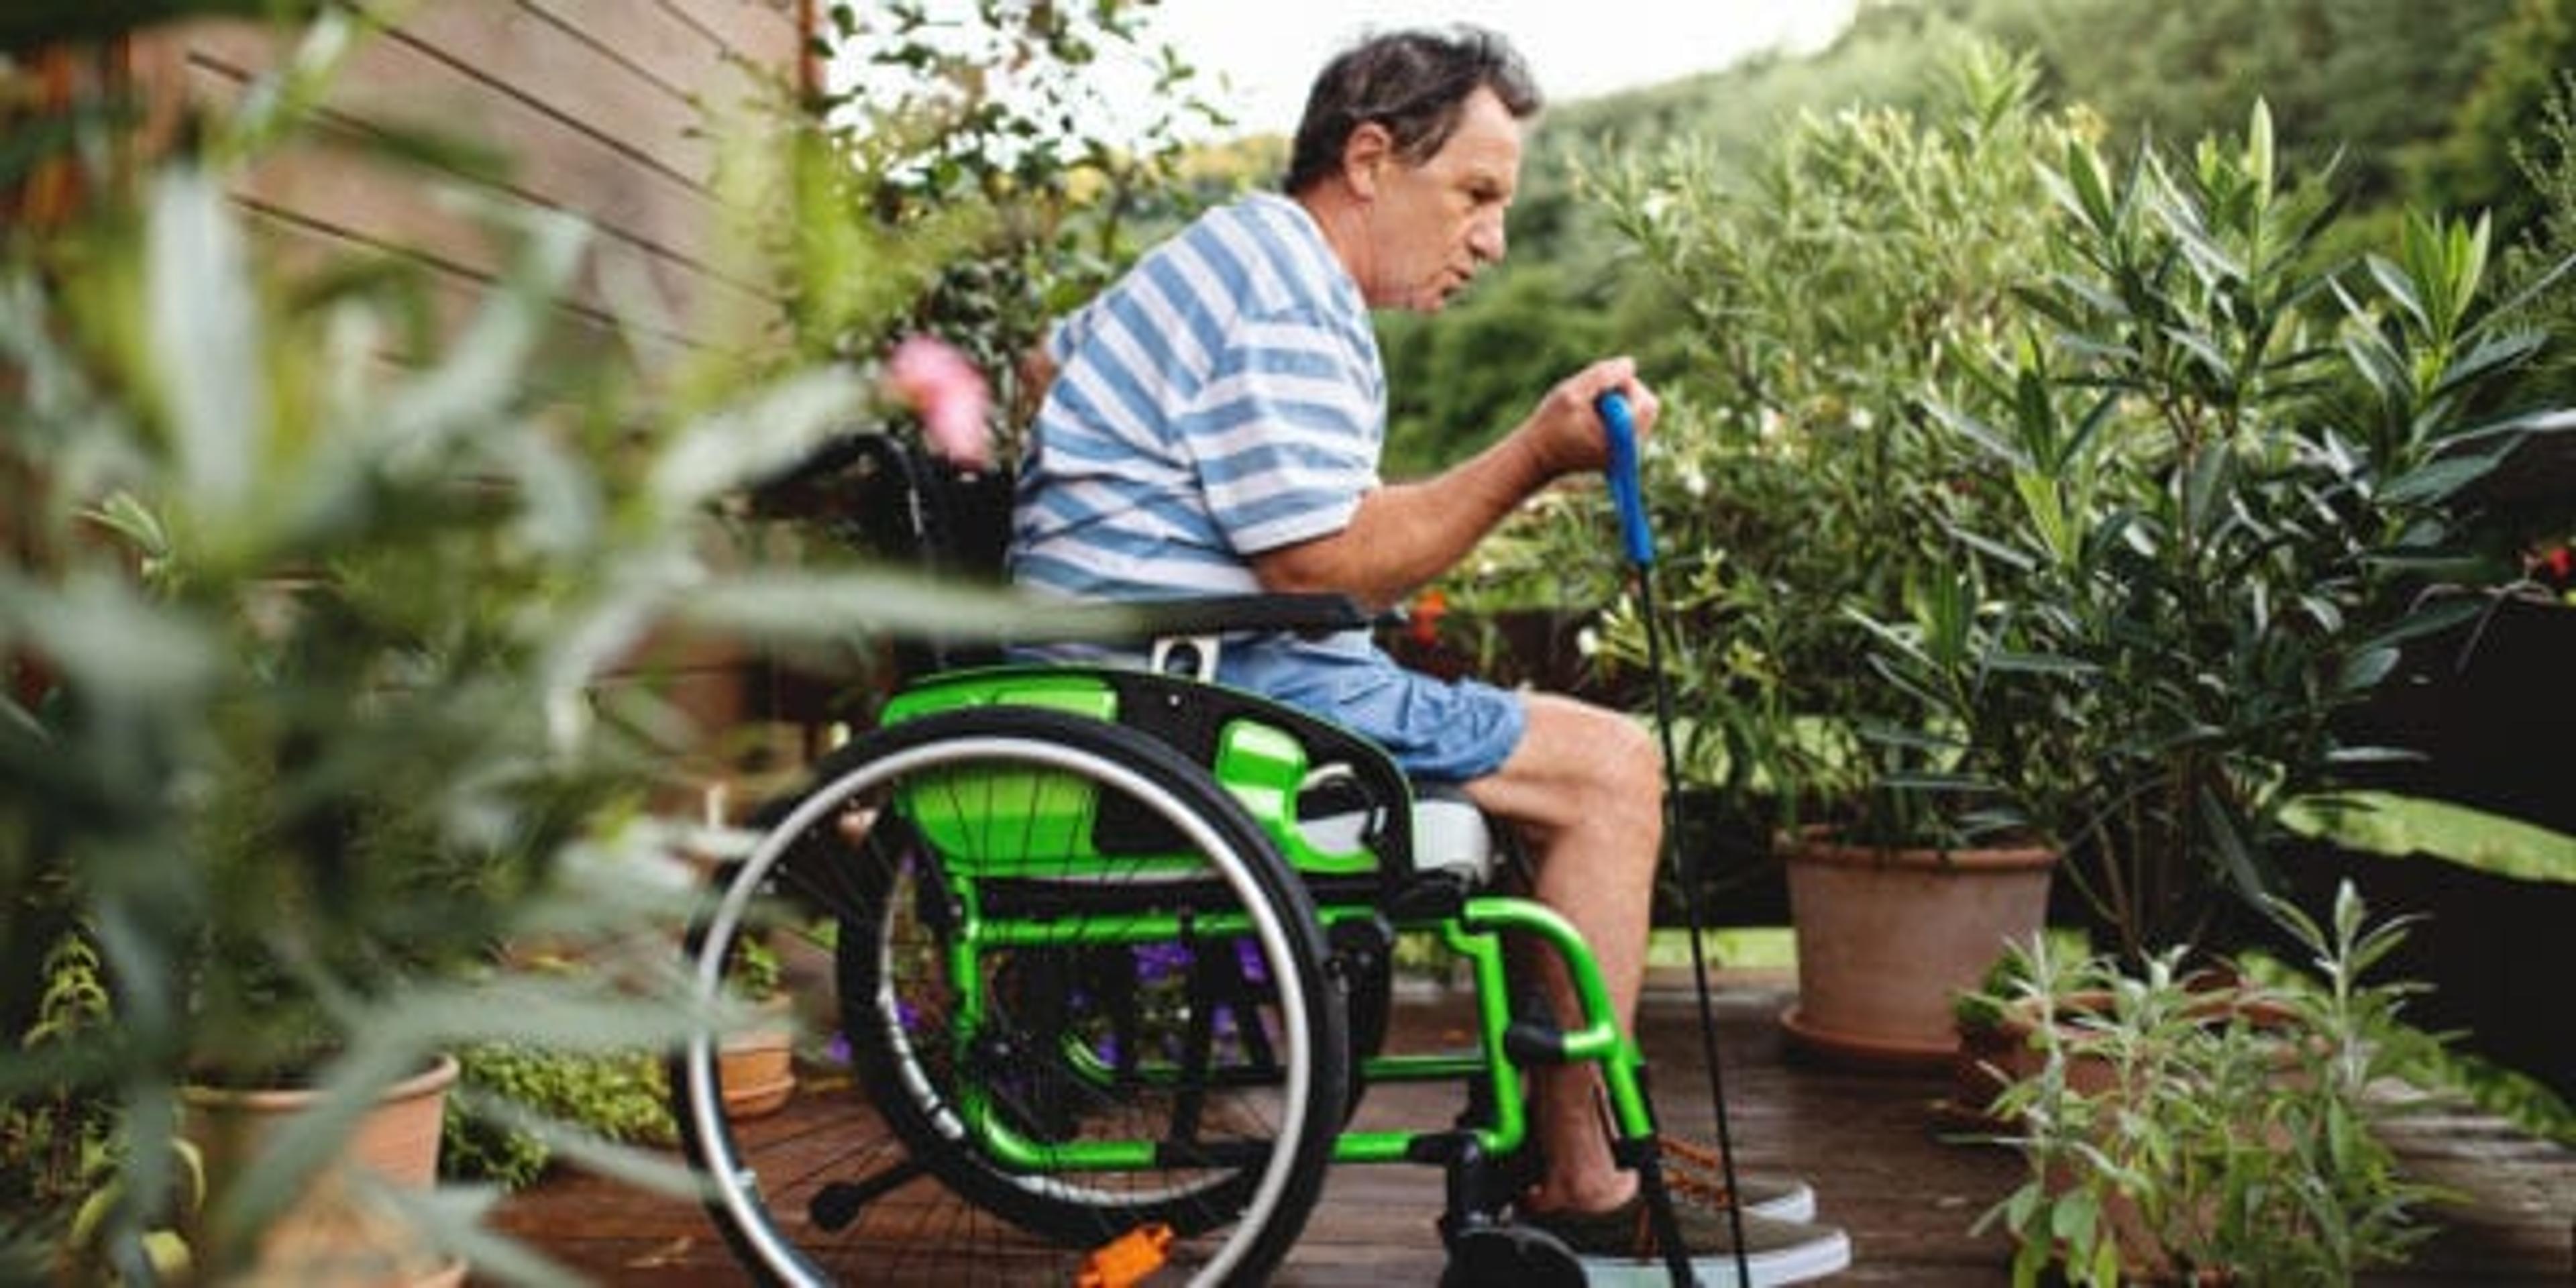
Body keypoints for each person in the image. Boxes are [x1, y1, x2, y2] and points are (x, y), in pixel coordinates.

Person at [1009, 23, 1849, 1284]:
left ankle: (1572, 1150)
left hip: (1163, 676)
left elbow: (1042, 364)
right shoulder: (1286, 284)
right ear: (1369, 158)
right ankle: (1586, 1186)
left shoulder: (1227, 256)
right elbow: (1318, 562)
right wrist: (1530, 455)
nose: (1493, 238)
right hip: (1206, 694)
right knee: (1611, 767)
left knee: (1547, 770)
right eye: (1476, 194)